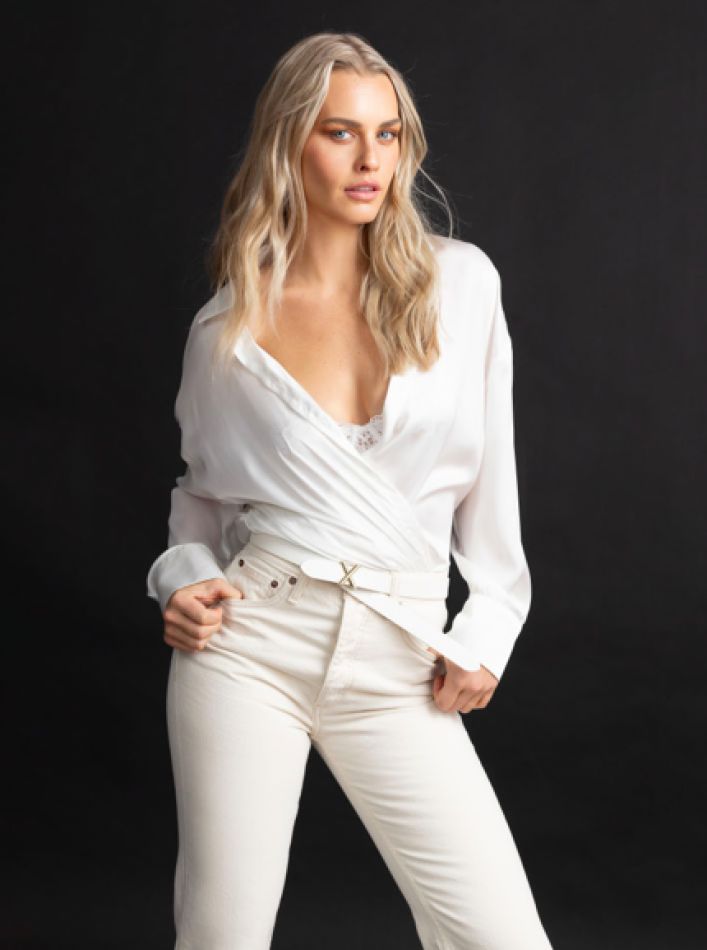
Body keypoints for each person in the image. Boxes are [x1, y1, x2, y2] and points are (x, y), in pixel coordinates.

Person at [146, 31, 554, 950]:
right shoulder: (225, 329)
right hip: (250, 649)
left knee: (501, 936)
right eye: (339, 132)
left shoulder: (461, 285)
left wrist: (488, 630)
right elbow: (201, 500)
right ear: (288, 144)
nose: (372, 159)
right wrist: (180, 577)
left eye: (388, 133)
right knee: (221, 935)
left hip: (399, 658)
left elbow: (493, 484)